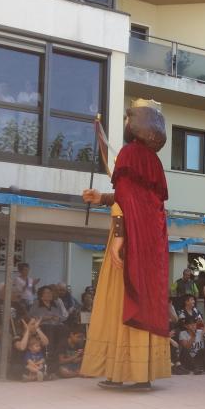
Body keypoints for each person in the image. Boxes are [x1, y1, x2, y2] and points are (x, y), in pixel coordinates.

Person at [79, 101, 173, 390]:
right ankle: (142, 372)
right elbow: (134, 198)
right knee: (144, 298)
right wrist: (102, 198)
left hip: (130, 237)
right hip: (150, 242)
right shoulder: (153, 162)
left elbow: (126, 201)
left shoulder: (130, 155)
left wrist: (119, 237)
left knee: (119, 299)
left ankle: (118, 370)